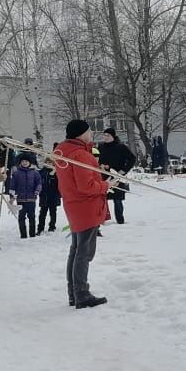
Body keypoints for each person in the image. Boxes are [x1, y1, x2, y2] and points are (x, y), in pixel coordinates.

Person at [56, 120, 110, 308]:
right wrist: (106, 185)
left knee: (76, 250)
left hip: (73, 205)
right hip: (85, 207)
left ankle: (74, 293)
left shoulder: (64, 152)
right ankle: (81, 294)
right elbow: (86, 186)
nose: (90, 134)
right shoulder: (80, 155)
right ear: (80, 134)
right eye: (88, 131)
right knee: (84, 253)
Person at [97, 128, 136, 224]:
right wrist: (100, 165)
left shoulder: (121, 147)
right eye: (104, 135)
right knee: (102, 199)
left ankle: (120, 220)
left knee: (117, 199)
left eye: (108, 135)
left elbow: (132, 159)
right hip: (104, 176)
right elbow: (96, 158)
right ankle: (102, 219)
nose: (105, 137)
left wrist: (124, 171)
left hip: (117, 175)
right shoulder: (100, 147)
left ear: (113, 136)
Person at [10, 155, 44, 238]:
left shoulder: (35, 173)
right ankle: (23, 235)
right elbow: (12, 185)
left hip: (31, 199)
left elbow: (39, 183)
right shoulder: (16, 173)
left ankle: (32, 234)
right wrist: (12, 196)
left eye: (26, 161)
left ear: (29, 163)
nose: (24, 163)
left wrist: (37, 190)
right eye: (23, 162)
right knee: (21, 217)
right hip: (20, 199)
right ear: (20, 163)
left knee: (31, 217)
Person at [38, 145, 62, 233]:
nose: (49, 164)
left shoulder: (57, 173)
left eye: (50, 163)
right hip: (44, 196)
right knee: (42, 213)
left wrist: (55, 174)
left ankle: (52, 226)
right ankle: (40, 228)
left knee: (53, 212)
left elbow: (59, 184)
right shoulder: (41, 172)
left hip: (53, 196)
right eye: (47, 163)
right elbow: (40, 181)